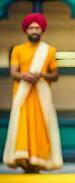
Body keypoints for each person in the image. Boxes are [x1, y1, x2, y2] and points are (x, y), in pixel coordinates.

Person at [3, 13, 63, 173]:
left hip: (41, 96)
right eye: (31, 28)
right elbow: (13, 72)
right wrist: (26, 76)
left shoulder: (49, 51)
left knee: (40, 127)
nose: (34, 30)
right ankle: (23, 162)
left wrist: (41, 75)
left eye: (37, 28)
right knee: (22, 127)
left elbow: (55, 75)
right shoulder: (18, 50)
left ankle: (37, 162)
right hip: (23, 95)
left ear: (42, 30)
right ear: (26, 31)